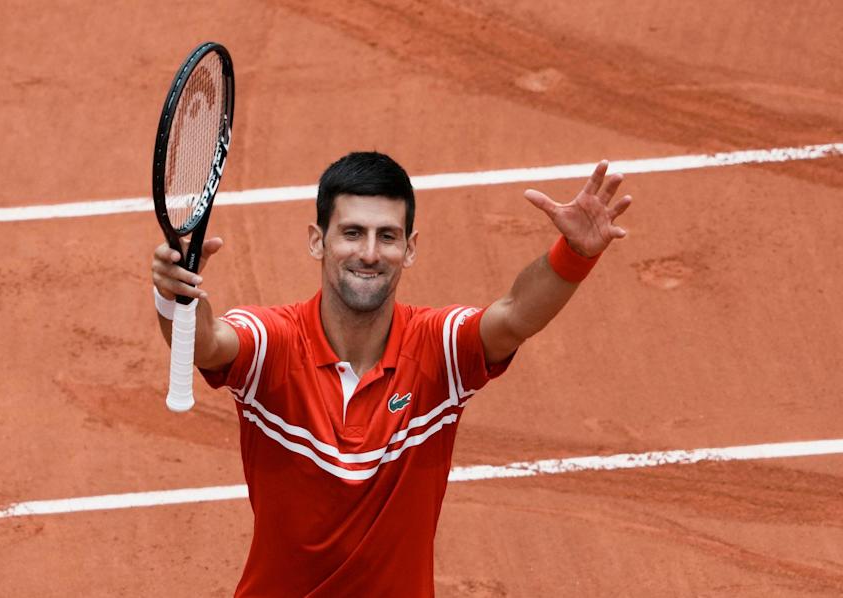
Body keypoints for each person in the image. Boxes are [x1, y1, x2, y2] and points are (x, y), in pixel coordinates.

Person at [151, 152, 631, 597]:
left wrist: (575, 253)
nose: (369, 253)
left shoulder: (437, 350)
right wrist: (176, 298)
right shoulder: (274, 342)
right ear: (318, 241)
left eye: (387, 236)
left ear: (410, 248)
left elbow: (516, 314)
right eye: (353, 233)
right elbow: (208, 342)